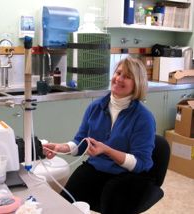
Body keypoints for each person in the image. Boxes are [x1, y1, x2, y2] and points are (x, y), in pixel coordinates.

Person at [43, 56, 156, 214]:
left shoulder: (143, 118)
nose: (119, 79)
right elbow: (81, 143)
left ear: (137, 84)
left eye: (127, 76)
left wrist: (107, 150)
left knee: (112, 199)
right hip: (96, 168)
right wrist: (60, 148)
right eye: (118, 73)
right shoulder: (95, 107)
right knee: (65, 204)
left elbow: (141, 163)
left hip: (126, 175)